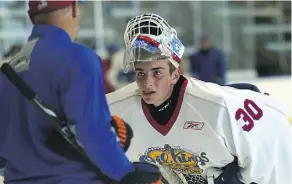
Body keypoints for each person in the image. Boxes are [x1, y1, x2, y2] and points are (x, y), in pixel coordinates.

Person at [106, 13, 292, 184]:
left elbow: (277, 140)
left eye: (157, 72)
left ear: (174, 74)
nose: (147, 83)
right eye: (140, 73)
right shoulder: (112, 111)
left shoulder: (222, 107)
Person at [0, 1, 161, 184]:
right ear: (75, 8)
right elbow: (90, 129)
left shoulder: (9, 69)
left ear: (31, 17)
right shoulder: (79, 57)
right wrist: (127, 173)